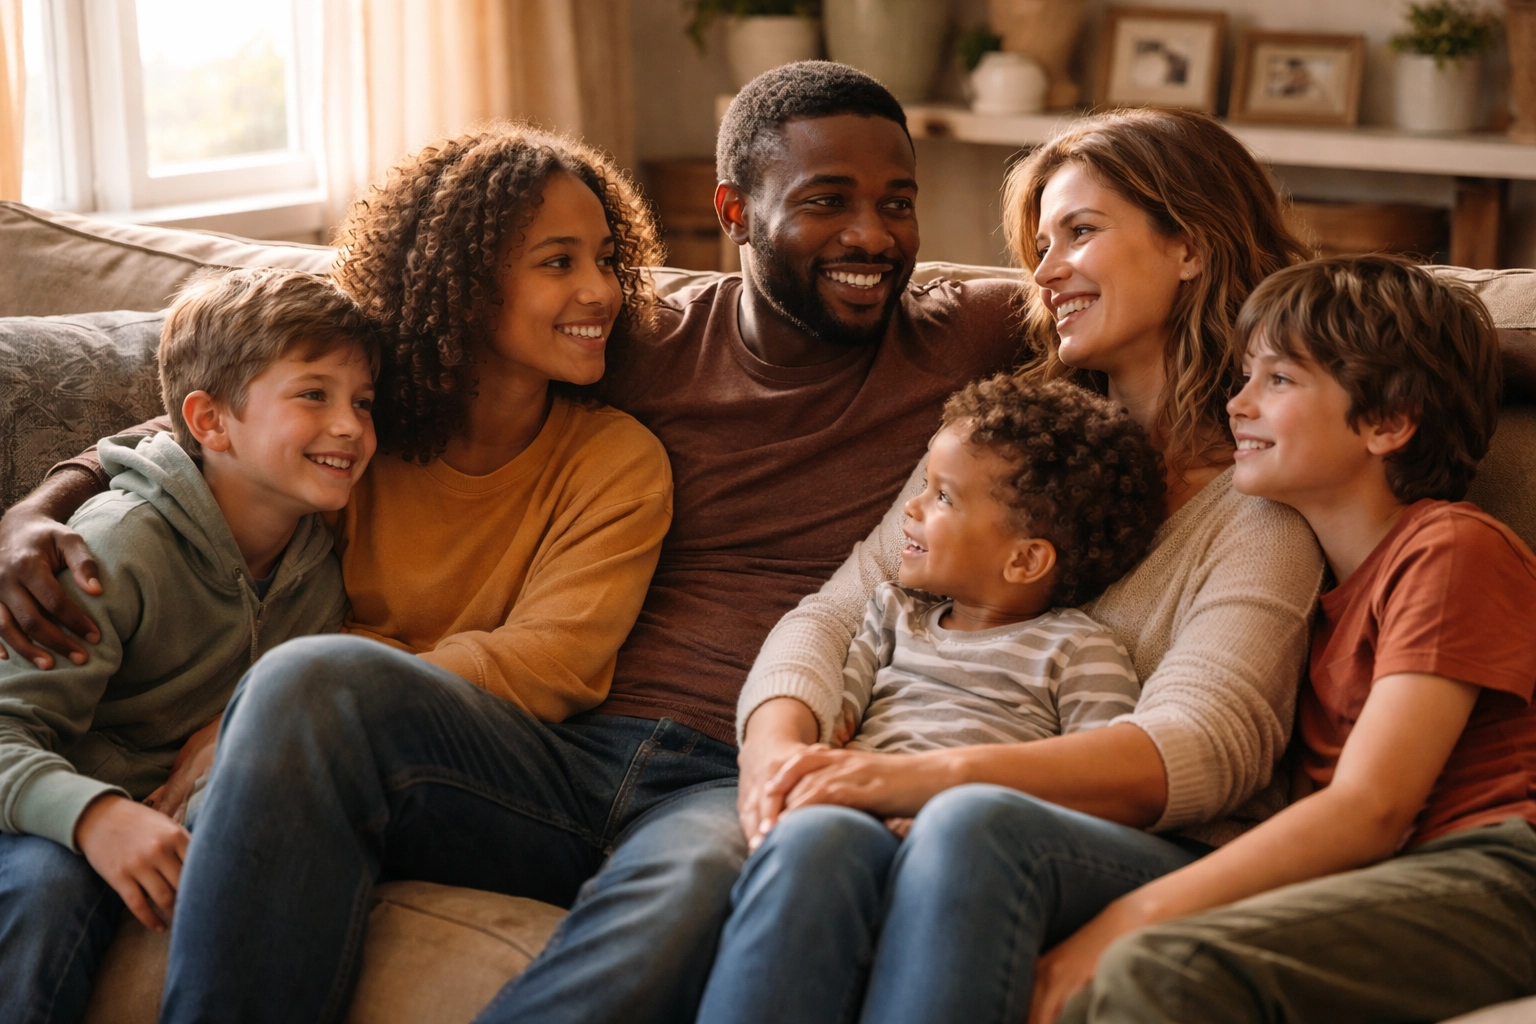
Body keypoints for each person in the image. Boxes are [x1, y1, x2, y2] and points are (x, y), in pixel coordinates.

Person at [0, 65, 1024, 1023]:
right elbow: (231, 427)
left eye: (899, 203)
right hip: (546, 758)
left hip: (732, 765)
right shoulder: (637, 343)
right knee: (311, 681)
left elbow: (1108, 282)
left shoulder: (963, 334)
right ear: (732, 214)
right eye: (826, 200)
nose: (873, 235)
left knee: (698, 886)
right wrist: (45, 499)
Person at [701, 107, 1328, 1024]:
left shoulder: (1264, 494)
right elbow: (835, 614)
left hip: (1146, 851)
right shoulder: (1005, 444)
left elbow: (1204, 747)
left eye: (1081, 232)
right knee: (818, 835)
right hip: (922, 807)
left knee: (970, 822)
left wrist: (914, 778)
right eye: (1041, 245)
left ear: (1189, 246)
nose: (1044, 272)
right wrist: (780, 757)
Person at [1045, 254, 1536, 1024]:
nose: (1237, 404)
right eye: (1245, 377)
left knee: (1158, 968)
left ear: (1387, 423)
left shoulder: (1449, 548)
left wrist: (1131, 915)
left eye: (1278, 380)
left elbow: (1370, 807)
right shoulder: (1318, 593)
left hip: (1504, 870)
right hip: (1402, 879)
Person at [0, 267, 378, 1024]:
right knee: (48, 885)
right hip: (43, 808)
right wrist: (94, 817)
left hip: (192, 811)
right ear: (209, 421)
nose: (351, 426)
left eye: (363, 402)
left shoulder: (326, 556)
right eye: (314, 395)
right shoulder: (113, 550)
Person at [827, 375, 1163, 842]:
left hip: (970, 838)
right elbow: (835, 719)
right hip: (853, 815)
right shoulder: (891, 613)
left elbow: (1095, 784)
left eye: (942, 496)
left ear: (1024, 560)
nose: (912, 507)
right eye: (926, 485)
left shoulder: (1079, 650)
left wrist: (944, 822)